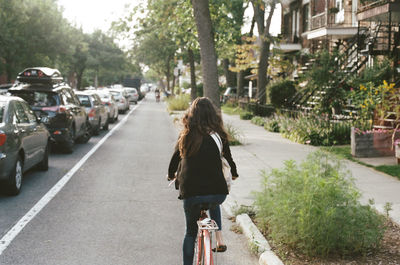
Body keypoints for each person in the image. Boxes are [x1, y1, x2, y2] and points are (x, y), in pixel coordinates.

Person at [167, 97, 238, 265]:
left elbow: (174, 159)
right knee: (213, 201)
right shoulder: (219, 135)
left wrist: (170, 175)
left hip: (191, 193)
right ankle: (218, 236)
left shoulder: (186, 134)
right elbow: (229, 159)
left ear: (192, 114)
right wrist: (234, 174)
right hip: (217, 194)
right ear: (212, 115)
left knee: (190, 233)